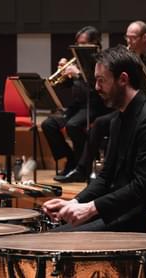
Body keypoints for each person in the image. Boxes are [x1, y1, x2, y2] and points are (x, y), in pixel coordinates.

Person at [43, 45, 146, 232]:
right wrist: (75, 202)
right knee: (49, 234)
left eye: (101, 80)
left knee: (53, 240)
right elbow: (105, 177)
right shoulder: (118, 119)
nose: (97, 87)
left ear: (123, 79)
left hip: (139, 218)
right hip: (118, 209)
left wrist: (91, 208)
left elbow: (144, 187)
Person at [55, 20, 146, 183]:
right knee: (100, 124)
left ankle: (97, 168)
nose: (129, 42)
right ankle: (83, 168)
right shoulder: (124, 57)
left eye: (133, 38)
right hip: (125, 109)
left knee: (98, 123)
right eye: (127, 37)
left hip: (145, 106)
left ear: (144, 37)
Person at [41, 26, 109, 180]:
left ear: (95, 43)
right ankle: (71, 159)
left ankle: (82, 166)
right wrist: (64, 74)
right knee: (48, 124)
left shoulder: (102, 61)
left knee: (73, 125)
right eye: (77, 43)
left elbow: (97, 90)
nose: (78, 47)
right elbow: (67, 86)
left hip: (96, 105)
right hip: (79, 106)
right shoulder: (78, 60)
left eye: (83, 43)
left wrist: (78, 75)